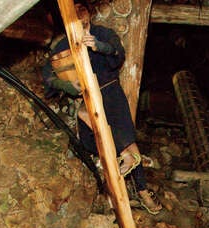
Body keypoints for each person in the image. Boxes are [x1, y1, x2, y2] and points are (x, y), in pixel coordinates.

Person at [42, 2, 162, 214]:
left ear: (88, 14)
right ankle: (120, 184)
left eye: (82, 13)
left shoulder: (103, 33)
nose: (80, 19)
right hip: (89, 97)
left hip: (111, 93)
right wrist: (67, 85)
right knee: (93, 134)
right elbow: (48, 75)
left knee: (126, 138)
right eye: (75, 16)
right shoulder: (64, 44)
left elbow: (118, 53)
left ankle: (142, 191)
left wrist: (98, 46)